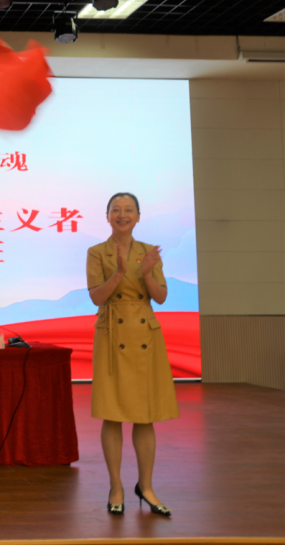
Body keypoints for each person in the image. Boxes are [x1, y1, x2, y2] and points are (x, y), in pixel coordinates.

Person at [86, 192, 178, 518]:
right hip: (112, 334)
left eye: (128, 210)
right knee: (111, 413)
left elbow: (161, 297)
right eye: (116, 210)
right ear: (107, 216)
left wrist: (147, 274)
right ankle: (116, 487)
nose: (122, 215)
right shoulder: (96, 252)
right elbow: (96, 297)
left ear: (138, 216)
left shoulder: (149, 252)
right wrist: (118, 273)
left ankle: (146, 487)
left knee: (144, 414)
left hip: (144, 336)